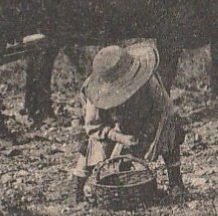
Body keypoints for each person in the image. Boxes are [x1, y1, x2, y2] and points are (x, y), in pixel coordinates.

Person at [71, 42, 186, 203]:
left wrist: (146, 131)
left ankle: (175, 182)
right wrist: (120, 137)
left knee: (171, 129)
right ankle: (78, 189)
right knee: (88, 147)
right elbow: (93, 127)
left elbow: (163, 110)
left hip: (145, 125)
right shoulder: (95, 96)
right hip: (113, 132)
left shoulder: (149, 81)